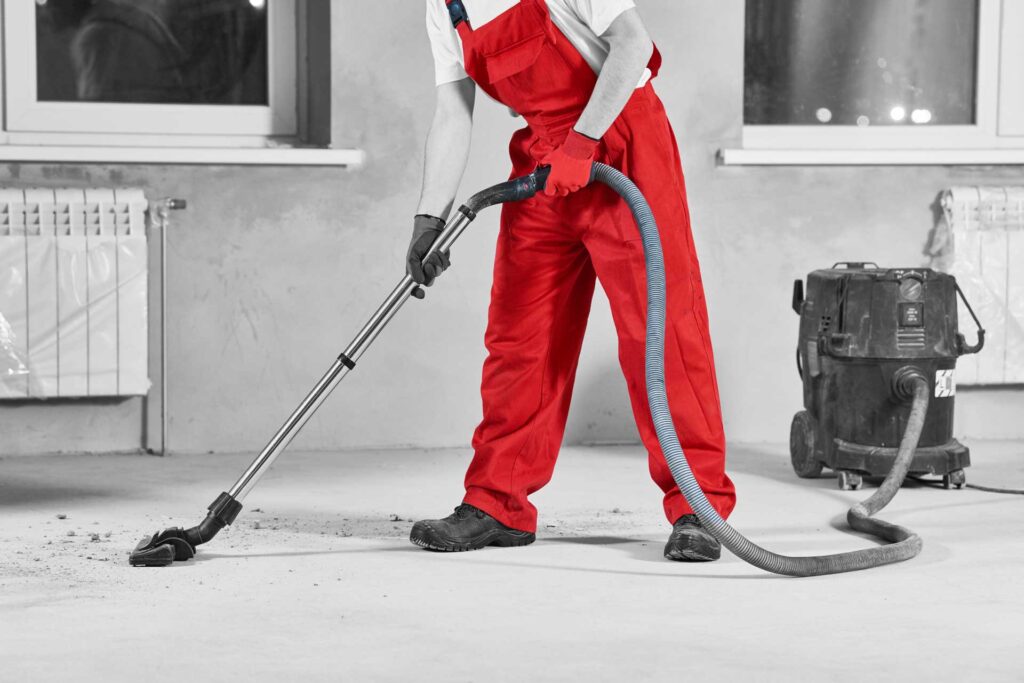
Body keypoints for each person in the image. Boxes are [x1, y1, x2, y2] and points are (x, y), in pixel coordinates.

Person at [408, 0, 736, 562]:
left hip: (622, 143)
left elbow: (631, 45)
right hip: (542, 162)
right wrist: (428, 220)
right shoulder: (447, 8)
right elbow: (452, 109)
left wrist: (583, 143)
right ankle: (497, 503)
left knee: (662, 335)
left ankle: (697, 508)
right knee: (519, 338)